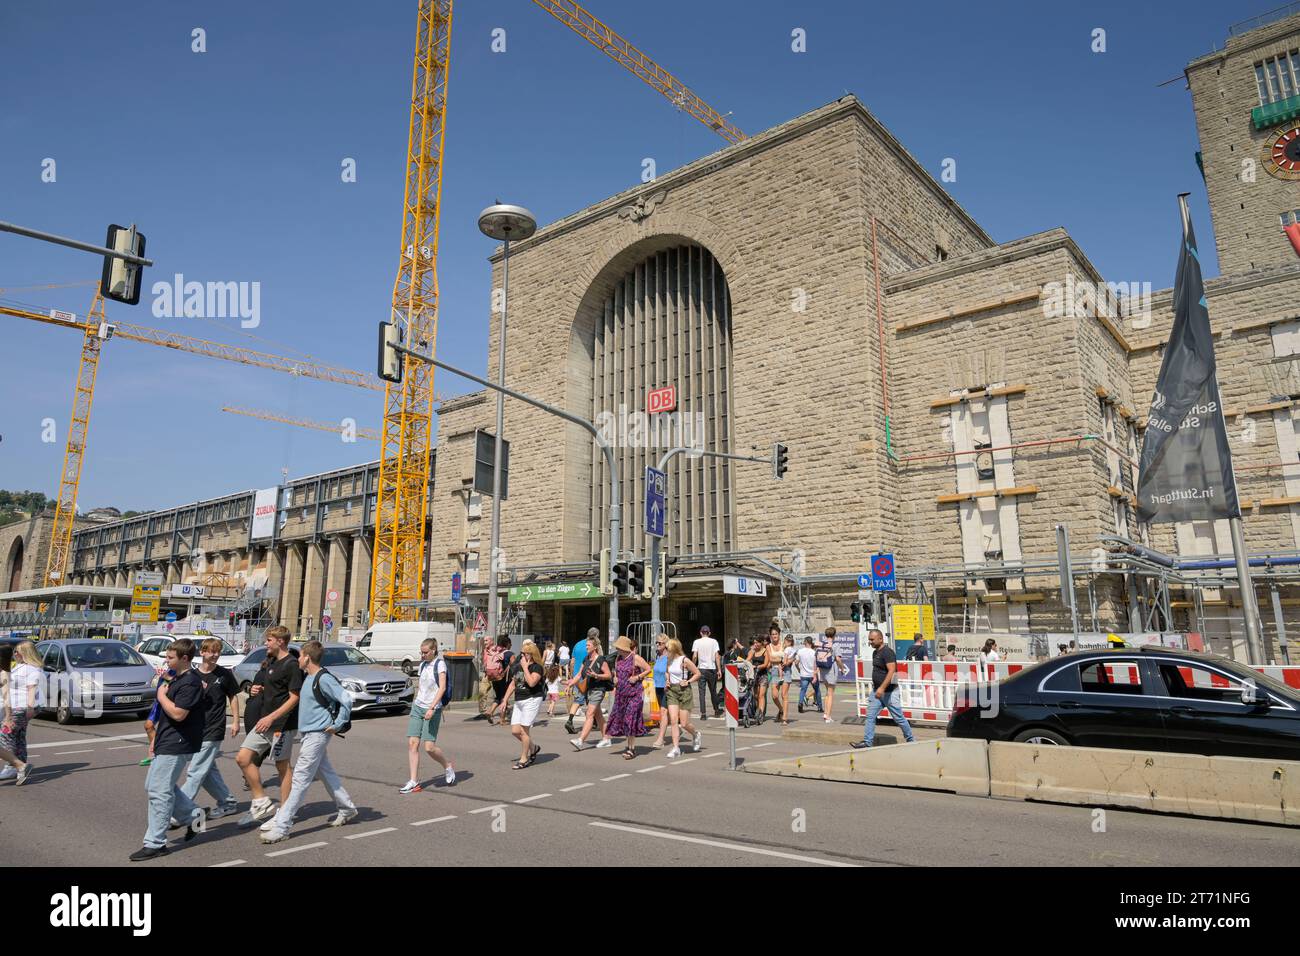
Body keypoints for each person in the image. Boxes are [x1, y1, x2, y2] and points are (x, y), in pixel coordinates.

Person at [260, 640, 358, 843]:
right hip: (310, 734)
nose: (298, 659)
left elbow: (346, 699)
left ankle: (282, 827)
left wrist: (338, 723)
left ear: (307, 657)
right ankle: (347, 808)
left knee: (300, 779)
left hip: (317, 734)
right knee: (326, 773)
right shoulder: (310, 676)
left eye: (301, 655)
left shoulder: (322, 678)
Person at [130, 639, 205, 861]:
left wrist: (161, 695)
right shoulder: (177, 679)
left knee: (159, 791)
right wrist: (155, 740)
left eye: (171, 657)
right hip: (167, 740)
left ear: (185, 658)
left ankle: (155, 842)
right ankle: (193, 815)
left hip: (179, 742)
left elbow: (179, 713)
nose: (166, 660)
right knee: (155, 785)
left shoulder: (190, 682)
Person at [235, 626, 302, 827]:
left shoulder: (291, 664)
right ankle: (261, 800)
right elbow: (271, 688)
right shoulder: (271, 662)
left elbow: (294, 698)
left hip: (282, 725)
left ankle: (285, 811)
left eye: (269, 640)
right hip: (264, 721)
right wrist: (257, 689)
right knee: (243, 758)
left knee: (282, 766)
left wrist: (272, 717)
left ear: (280, 642)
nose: (266, 643)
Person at [177, 637, 240, 819]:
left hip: (214, 728)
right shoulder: (193, 675)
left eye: (218, 651)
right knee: (207, 770)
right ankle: (227, 802)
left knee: (195, 771)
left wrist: (235, 721)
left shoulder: (224, 674)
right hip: (195, 729)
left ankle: (179, 810)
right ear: (202, 652)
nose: (215, 655)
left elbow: (233, 697)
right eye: (212, 651)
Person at [400, 638, 456, 793]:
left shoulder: (440, 664)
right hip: (418, 707)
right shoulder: (423, 665)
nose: (422, 655)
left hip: (433, 708)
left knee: (429, 748)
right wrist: (416, 702)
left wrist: (432, 708)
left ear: (433, 650)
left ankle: (447, 765)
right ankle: (413, 781)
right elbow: (423, 687)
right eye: (421, 652)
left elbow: (442, 688)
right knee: (412, 743)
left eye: (425, 652)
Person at [851, 628, 915, 750]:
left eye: (872, 639)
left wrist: (882, 688)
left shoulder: (887, 652)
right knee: (870, 716)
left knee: (899, 718)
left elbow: (892, 671)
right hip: (877, 692)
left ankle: (911, 740)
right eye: (869, 639)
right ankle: (867, 742)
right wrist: (877, 688)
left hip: (890, 692)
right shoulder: (875, 652)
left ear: (880, 639)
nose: (870, 642)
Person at [603, 636, 652, 759]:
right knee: (624, 720)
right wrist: (615, 679)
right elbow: (617, 673)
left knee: (630, 719)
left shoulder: (635, 658)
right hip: (621, 694)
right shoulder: (618, 659)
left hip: (634, 693)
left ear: (624, 648)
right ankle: (629, 745)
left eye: (618, 647)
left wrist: (637, 677)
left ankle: (631, 749)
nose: (617, 649)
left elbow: (648, 669)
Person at [500, 639, 546, 768]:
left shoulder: (537, 667)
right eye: (521, 653)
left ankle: (524, 758)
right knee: (515, 731)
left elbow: (531, 682)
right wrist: (505, 699)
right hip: (519, 700)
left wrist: (526, 667)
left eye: (525, 653)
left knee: (524, 730)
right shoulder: (518, 666)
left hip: (532, 699)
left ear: (532, 654)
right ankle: (533, 747)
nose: (522, 656)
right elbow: (514, 683)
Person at [0, 641, 41, 785]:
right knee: (19, 736)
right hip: (18, 705)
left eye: (17, 652)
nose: (14, 654)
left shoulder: (32, 669)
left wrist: (30, 708)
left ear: (25, 653)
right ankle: (20, 766)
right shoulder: (19, 666)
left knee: (6, 734)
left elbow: (32, 689)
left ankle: (13, 766)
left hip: (22, 706)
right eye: (14, 652)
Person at [569, 636, 613, 750]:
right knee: (598, 715)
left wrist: (596, 675)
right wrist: (570, 684)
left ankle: (580, 740)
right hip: (588, 690)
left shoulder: (601, 660)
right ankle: (606, 738)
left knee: (589, 714)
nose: (586, 647)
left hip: (598, 690)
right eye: (586, 645)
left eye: (588, 645)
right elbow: (579, 674)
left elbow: (609, 675)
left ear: (594, 647)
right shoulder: (586, 659)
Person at [662, 638, 703, 759]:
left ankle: (696, 734)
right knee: (674, 720)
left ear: (673, 649)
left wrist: (688, 681)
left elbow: (698, 673)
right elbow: (667, 672)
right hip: (672, 691)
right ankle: (676, 748)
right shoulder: (668, 661)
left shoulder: (684, 660)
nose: (665, 650)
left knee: (684, 723)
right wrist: (667, 680)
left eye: (667, 648)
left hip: (684, 691)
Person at [564, 628, 597, 735]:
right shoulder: (593, 645)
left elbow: (572, 661)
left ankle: (571, 720)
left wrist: (572, 675)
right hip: (589, 676)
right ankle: (594, 721)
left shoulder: (577, 644)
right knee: (592, 698)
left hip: (577, 676)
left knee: (580, 699)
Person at [817, 628, 846, 725]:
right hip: (831, 669)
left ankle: (825, 713)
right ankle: (828, 716)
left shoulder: (821, 643)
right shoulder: (835, 644)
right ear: (834, 635)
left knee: (827, 692)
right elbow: (838, 659)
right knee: (830, 694)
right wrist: (842, 668)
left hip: (822, 669)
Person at [692, 625, 722, 718]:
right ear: (709, 633)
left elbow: (695, 656)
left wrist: (693, 667)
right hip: (712, 669)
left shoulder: (696, 642)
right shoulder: (714, 642)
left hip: (701, 669)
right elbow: (717, 656)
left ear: (701, 633)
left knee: (702, 692)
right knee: (713, 691)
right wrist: (719, 669)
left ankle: (703, 714)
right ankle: (716, 710)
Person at [485, 636, 514, 726]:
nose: (511, 645)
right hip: (504, 679)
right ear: (508, 644)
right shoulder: (509, 654)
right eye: (510, 643)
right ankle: (502, 719)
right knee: (503, 699)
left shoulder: (495, 652)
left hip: (494, 677)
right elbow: (514, 666)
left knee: (498, 697)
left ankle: (490, 711)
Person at [650, 635, 670, 747]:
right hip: (657, 687)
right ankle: (685, 730)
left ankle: (660, 739)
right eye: (656, 642)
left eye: (660, 643)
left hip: (667, 688)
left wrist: (668, 682)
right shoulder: (658, 656)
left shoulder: (669, 657)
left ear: (666, 645)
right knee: (667, 714)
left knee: (663, 712)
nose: (657, 645)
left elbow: (671, 672)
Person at [765, 626, 787, 724]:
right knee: (774, 696)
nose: (774, 636)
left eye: (776, 634)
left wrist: (782, 660)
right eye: (772, 634)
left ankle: (785, 716)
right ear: (770, 636)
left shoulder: (784, 645)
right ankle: (781, 709)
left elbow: (788, 656)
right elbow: (770, 659)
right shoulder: (768, 646)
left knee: (784, 695)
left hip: (785, 670)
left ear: (779, 634)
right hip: (774, 671)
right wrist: (781, 659)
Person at [795, 636, 821, 714]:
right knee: (817, 690)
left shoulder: (800, 651)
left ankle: (800, 703)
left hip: (804, 674)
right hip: (813, 674)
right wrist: (816, 673)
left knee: (803, 690)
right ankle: (820, 707)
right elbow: (816, 664)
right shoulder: (814, 652)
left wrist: (799, 669)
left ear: (805, 642)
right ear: (811, 643)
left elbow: (796, 663)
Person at [747, 636, 770, 720]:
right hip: (754, 675)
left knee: (761, 695)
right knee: (756, 695)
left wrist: (756, 666)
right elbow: (747, 660)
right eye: (754, 643)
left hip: (763, 675)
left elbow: (766, 664)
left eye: (757, 642)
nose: (755, 644)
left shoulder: (765, 651)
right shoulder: (752, 651)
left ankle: (760, 713)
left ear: (761, 643)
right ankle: (758, 710)